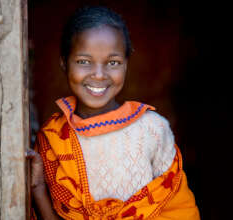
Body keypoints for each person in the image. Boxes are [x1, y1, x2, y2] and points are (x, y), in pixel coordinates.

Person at [26, 6, 200, 220]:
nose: (99, 75)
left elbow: (180, 212)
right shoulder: (53, 139)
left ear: (127, 63)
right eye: (83, 62)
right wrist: (38, 188)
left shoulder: (153, 130)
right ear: (64, 63)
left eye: (113, 62)